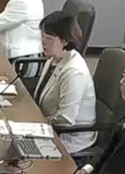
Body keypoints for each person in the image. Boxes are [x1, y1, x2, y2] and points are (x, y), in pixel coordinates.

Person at [33, 11, 96, 154]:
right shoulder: (55, 58)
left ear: (65, 41)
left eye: (49, 38)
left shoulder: (74, 72)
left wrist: (36, 123)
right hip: (48, 123)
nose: (43, 42)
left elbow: (65, 119)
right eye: (42, 36)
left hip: (68, 136)